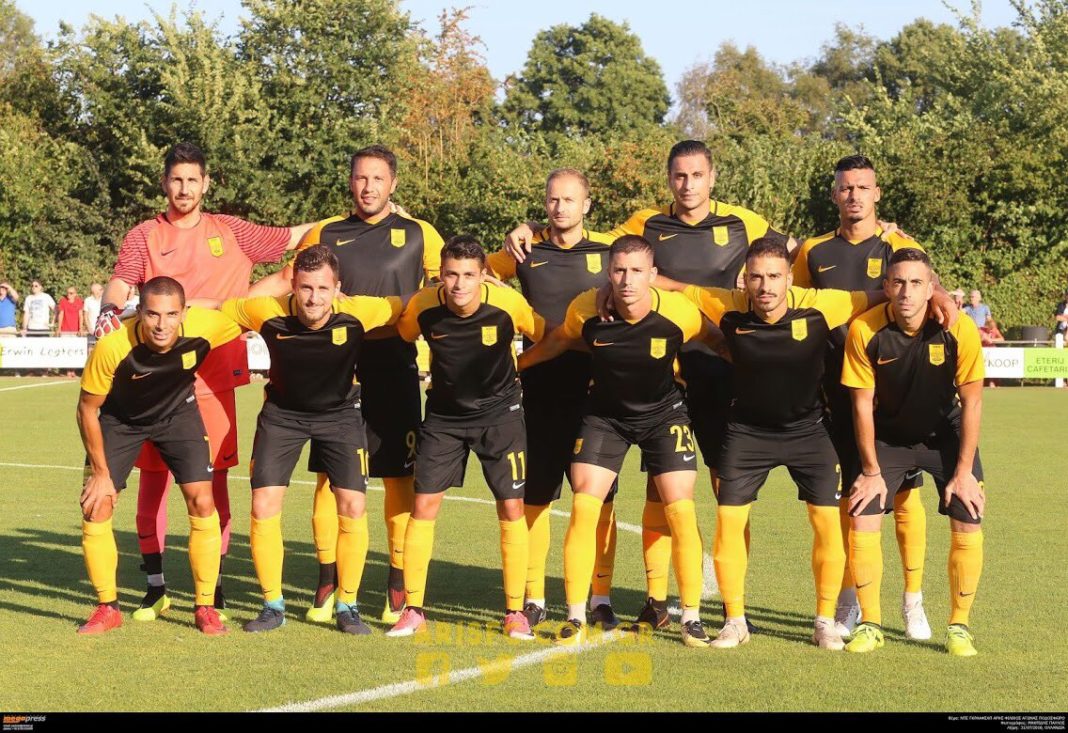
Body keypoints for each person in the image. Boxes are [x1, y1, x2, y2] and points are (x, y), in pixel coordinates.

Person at [507, 140, 792, 632]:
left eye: (697, 175)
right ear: (669, 179)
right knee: (659, 493)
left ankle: (734, 609)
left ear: (712, 177)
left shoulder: (743, 222)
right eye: (679, 175)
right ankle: (656, 600)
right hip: (661, 379)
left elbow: (794, 255)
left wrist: (888, 239)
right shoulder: (644, 224)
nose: (688, 184)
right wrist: (531, 227)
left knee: (728, 495)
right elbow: (585, 234)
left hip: (720, 374)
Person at [93, 142, 313, 623]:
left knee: (213, 483)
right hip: (153, 378)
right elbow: (121, 280)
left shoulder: (231, 230)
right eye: (176, 179)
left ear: (206, 183)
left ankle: (211, 587)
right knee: (153, 481)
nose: (184, 188)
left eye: (193, 179)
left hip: (213, 376)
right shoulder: (144, 234)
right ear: (164, 183)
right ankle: (155, 586)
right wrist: (108, 309)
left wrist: (360, 222)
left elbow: (298, 236)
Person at [656, 237, 885, 651]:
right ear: (744, 279)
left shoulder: (821, 305)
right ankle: (735, 621)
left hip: (809, 432)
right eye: (756, 277)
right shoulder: (726, 305)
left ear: (789, 279)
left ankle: (824, 622)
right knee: (728, 522)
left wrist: (939, 296)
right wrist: (612, 289)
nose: (765, 286)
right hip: (747, 434)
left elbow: (883, 294)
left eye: (774, 277)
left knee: (827, 524)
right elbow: (676, 287)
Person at [251, 145, 444, 625]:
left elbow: (448, 286)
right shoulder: (326, 232)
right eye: (360, 177)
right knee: (329, 478)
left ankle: (397, 581)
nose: (368, 187)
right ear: (350, 181)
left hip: (394, 362)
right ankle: (327, 578)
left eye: (377, 178)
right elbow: (286, 278)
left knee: (399, 475)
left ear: (393, 183)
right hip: (334, 368)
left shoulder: (419, 232)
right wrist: (231, 305)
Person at [519, 234, 714, 649]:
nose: (627, 280)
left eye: (637, 271)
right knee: (584, 504)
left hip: (664, 416)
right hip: (605, 417)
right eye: (620, 270)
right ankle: (575, 615)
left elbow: (718, 342)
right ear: (609, 274)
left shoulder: (679, 312)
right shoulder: (585, 309)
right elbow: (557, 341)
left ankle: (691, 617)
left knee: (680, 508)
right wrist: (517, 365)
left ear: (653, 275)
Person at [792, 154, 955, 640]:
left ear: (877, 193)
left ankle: (912, 601)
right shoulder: (814, 251)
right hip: (837, 391)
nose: (854, 196)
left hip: (897, 391)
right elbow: (796, 309)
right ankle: (850, 600)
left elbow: (932, 289)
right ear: (834, 194)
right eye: (846, 187)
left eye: (863, 187)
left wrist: (942, 295)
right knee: (853, 497)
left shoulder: (898, 244)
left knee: (905, 497)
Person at [217, 245, 407, 635]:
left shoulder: (358, 311)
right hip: (282, 416)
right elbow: (220, 307)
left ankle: (348, 605)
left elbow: (407, 304)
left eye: (322, 288)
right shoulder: (267, 312)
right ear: (293, 286)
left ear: (337, 288)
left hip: (341, 417)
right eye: (305, 288)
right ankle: (272, 606)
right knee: (263, 504)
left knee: (353, 505)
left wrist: (475, 287)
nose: (314, 298)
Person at [485, 168, 620, 631]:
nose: (560, 207)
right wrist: (514, 240)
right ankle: (534, 596)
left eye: (569, 200)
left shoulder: (608, 251)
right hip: (538, 389)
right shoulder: (525, 250)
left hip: (597, 392)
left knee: (598, 499)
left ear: (587, 205)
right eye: (552, 199)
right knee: (535, 496)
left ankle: (599, 596)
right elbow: (476, 272)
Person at [386, 236, 540, 641]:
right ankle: (413, 609)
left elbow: (544, 333)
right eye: (451, 274)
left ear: (483, 275)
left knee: (512, 507)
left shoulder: (507, 304)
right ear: (440, 274)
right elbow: (403, 333)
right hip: (444, 418)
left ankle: (515, 611)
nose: (459, 284)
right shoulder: (423, 306)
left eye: (469, 275)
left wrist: (522, 366)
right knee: (423, 506)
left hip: (501, 418)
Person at [841, 248, 987, 656]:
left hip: (945, 436)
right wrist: (870, 471)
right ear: (886, 286)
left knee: (969, 514)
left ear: (930, 288)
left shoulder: (959, 328)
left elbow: (972, 401)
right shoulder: (864, 329)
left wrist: (964, 472)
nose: (907, 292)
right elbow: (861, 406)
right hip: (889, 436)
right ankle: (870, 624)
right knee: (863, 513)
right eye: (899, 282)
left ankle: (959, 627)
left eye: (917, 283)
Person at [75, 276, 240, 635]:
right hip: (121, 420)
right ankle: (107, 607)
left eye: (171, 314)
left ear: (184, 313)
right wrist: (100, 473)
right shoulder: (113, 346)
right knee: (96, 504)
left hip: (178, 415)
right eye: (152, 314)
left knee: (202, 501)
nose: (162, 324)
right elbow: (86, 409)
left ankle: (206, 607)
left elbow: (244, 309)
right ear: (139, 312)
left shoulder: (205, 326)